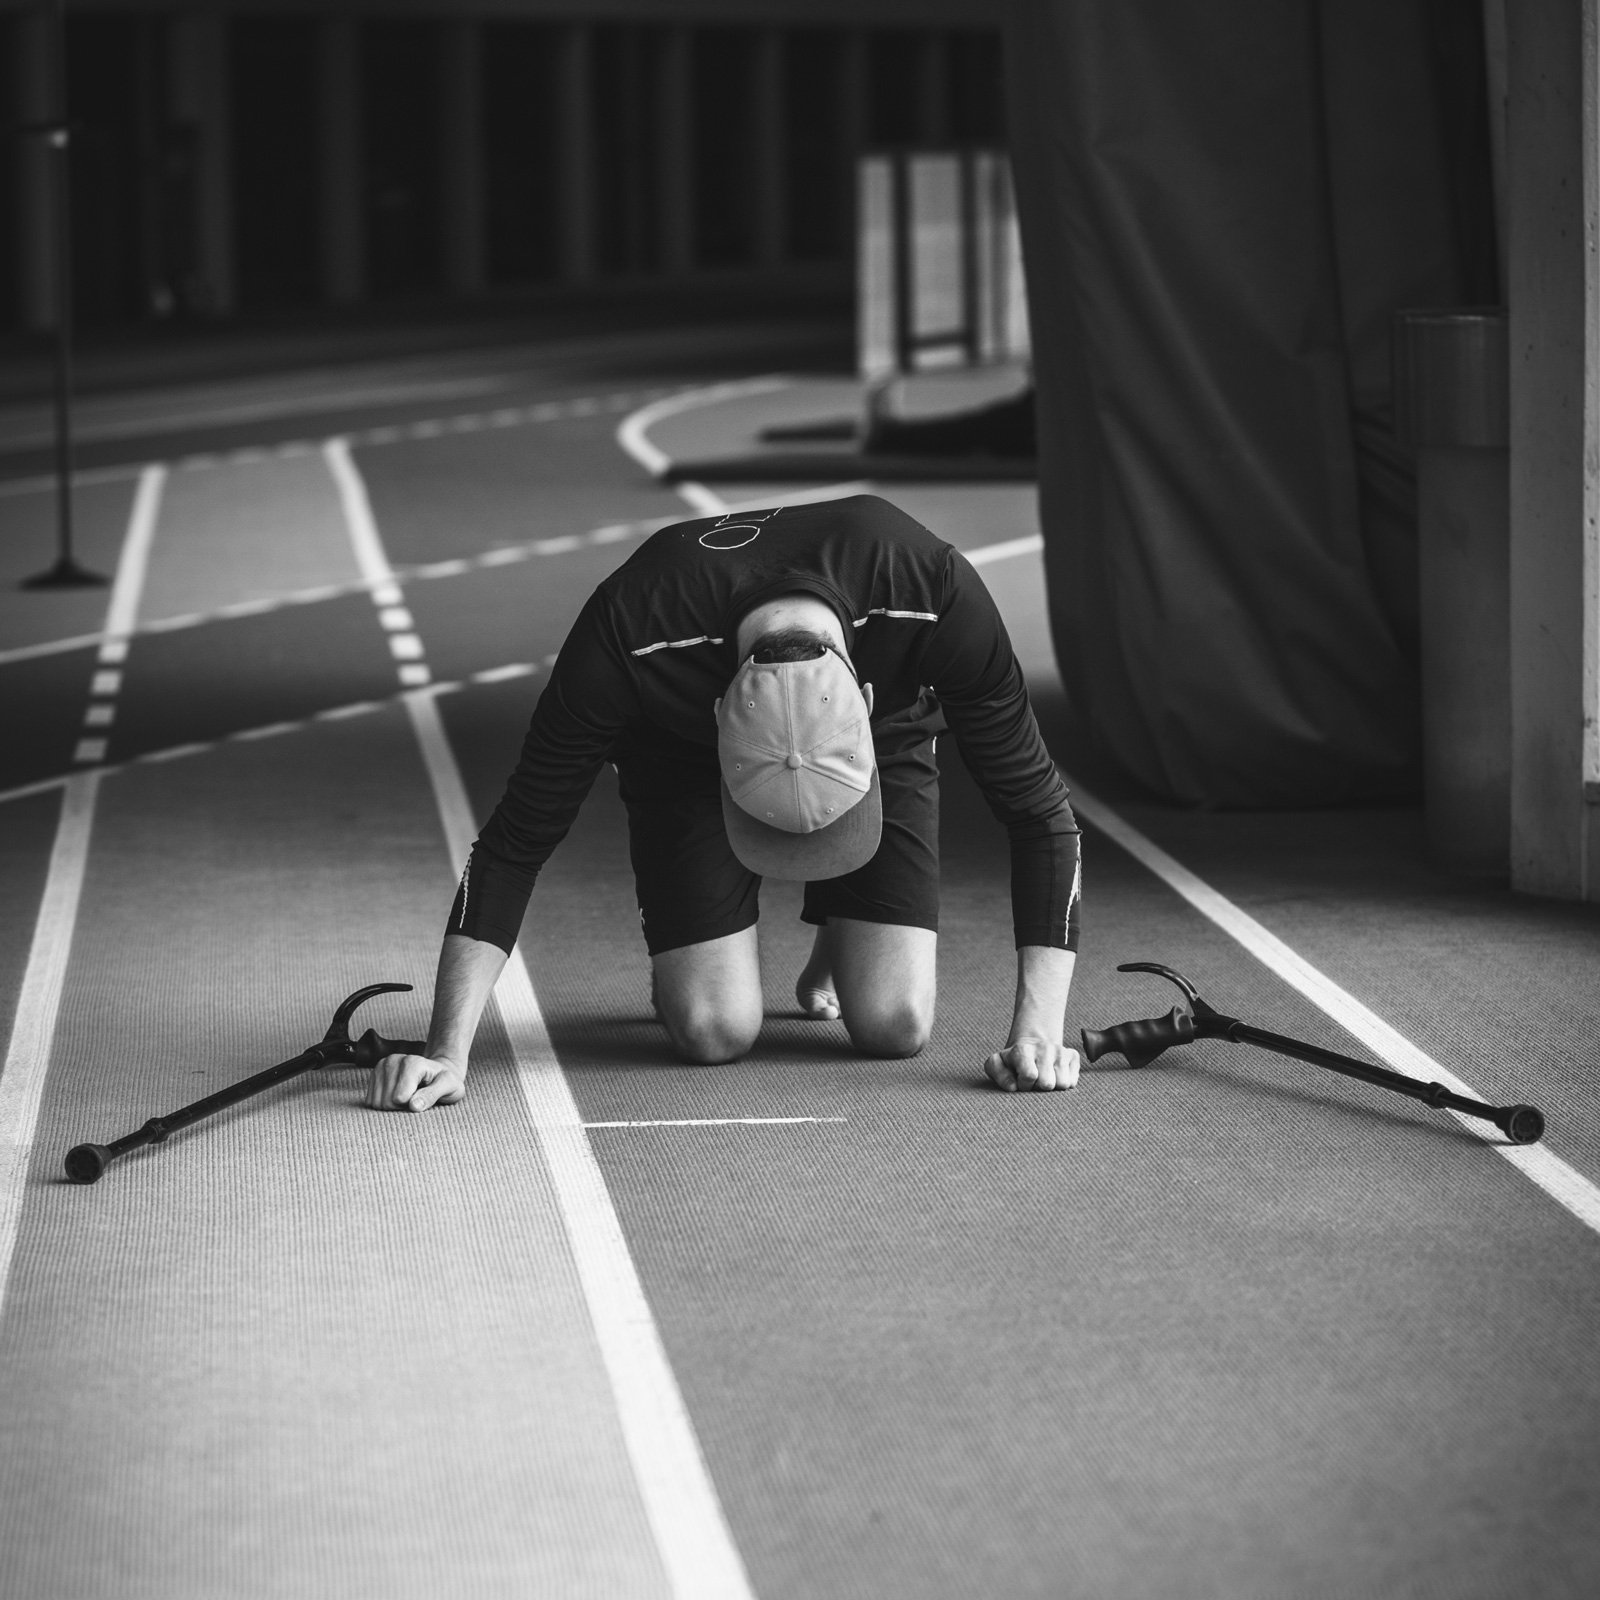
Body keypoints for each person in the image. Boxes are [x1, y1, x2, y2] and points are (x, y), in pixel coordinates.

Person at [365, 493, 1082, 1112]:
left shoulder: (934, 590)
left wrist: (1038, 1034)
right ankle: (708, 941)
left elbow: (1041, 814)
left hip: (880, 744)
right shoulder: (623, 633)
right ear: (718, 715)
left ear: (864, 696)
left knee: (895, 1027)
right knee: (714, 1032)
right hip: (676, 755)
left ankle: (843, 920)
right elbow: (514, 842)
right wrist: (446, 1053)